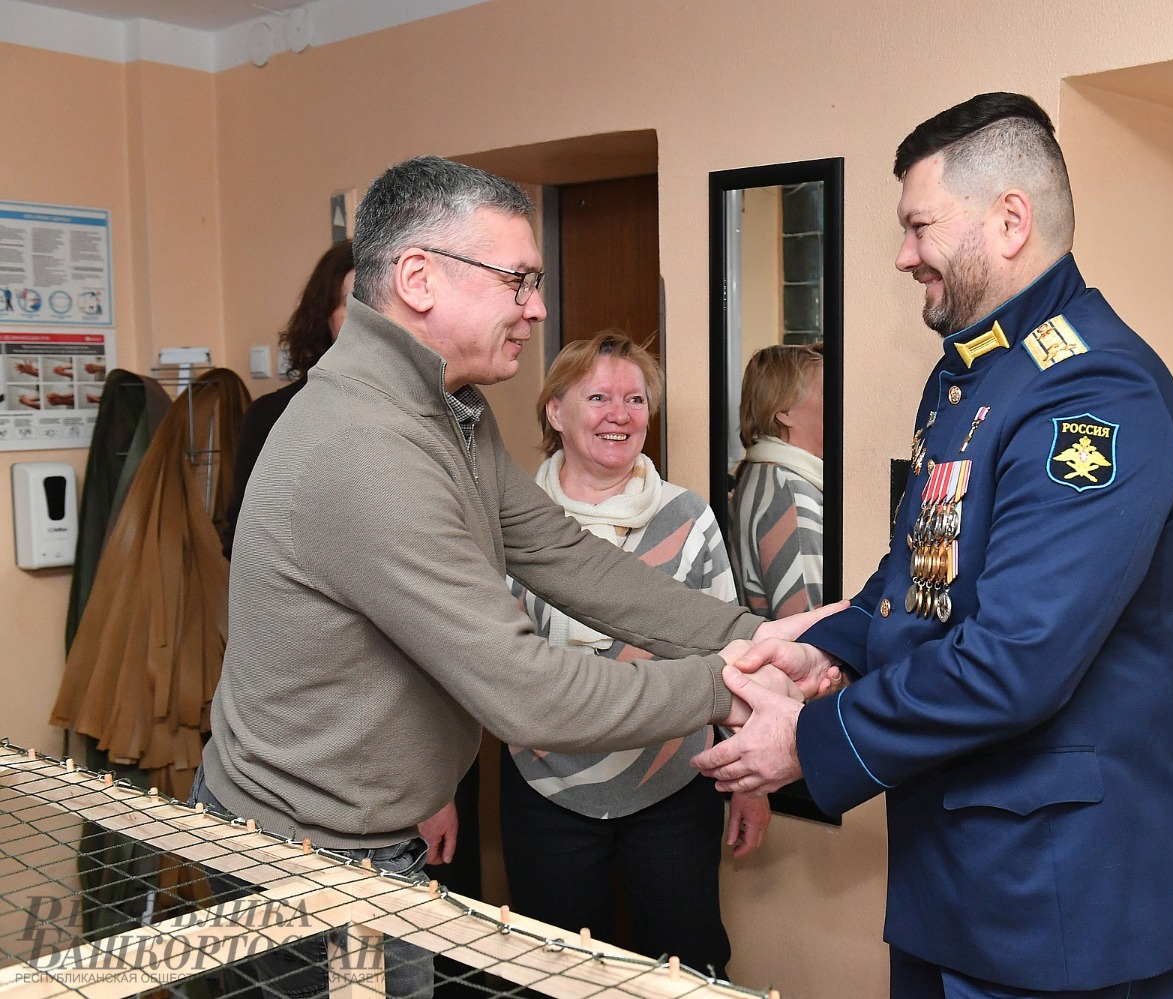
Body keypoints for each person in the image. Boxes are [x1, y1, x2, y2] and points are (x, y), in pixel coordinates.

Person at [194, 156, 828, 999]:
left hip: (364, 842)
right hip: (304, 861)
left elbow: (565, 556)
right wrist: (734, 686)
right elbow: (528, 692)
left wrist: (757, 636)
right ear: (417, 278)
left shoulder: (446, 409)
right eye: (518, 280)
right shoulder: (367, 445)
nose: (537, 307)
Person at [695, 93, 1173, 999]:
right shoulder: (974, 373)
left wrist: (813, 742)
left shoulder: (1092, 392)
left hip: (1062, 899)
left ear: (1010, 221)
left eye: (919, 226)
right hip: (959, 876)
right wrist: (827, 645)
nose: (903, 255)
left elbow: (1014, 659)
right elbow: (924, 573)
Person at [501, 331, 768, 976]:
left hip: (672, 785)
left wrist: (749, 782)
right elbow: (474, 661)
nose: (619, 414)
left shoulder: (689, 517)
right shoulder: (513, 522)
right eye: (598, 397)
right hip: (546, 785)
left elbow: (732, 654)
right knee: (554, 977)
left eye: (636, 399)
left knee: (692, 969)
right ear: (555, 411)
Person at [219, 238, 353, 559]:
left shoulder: (426, 408)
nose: (369, 318)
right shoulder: (273, 415)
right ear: (324, 314)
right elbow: (241, 539)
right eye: (352, 303)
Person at [730, 344, 825, 619]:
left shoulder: (763, 474)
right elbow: (808, 625)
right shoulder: (790, 494)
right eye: (825, 393)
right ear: (784, 410)